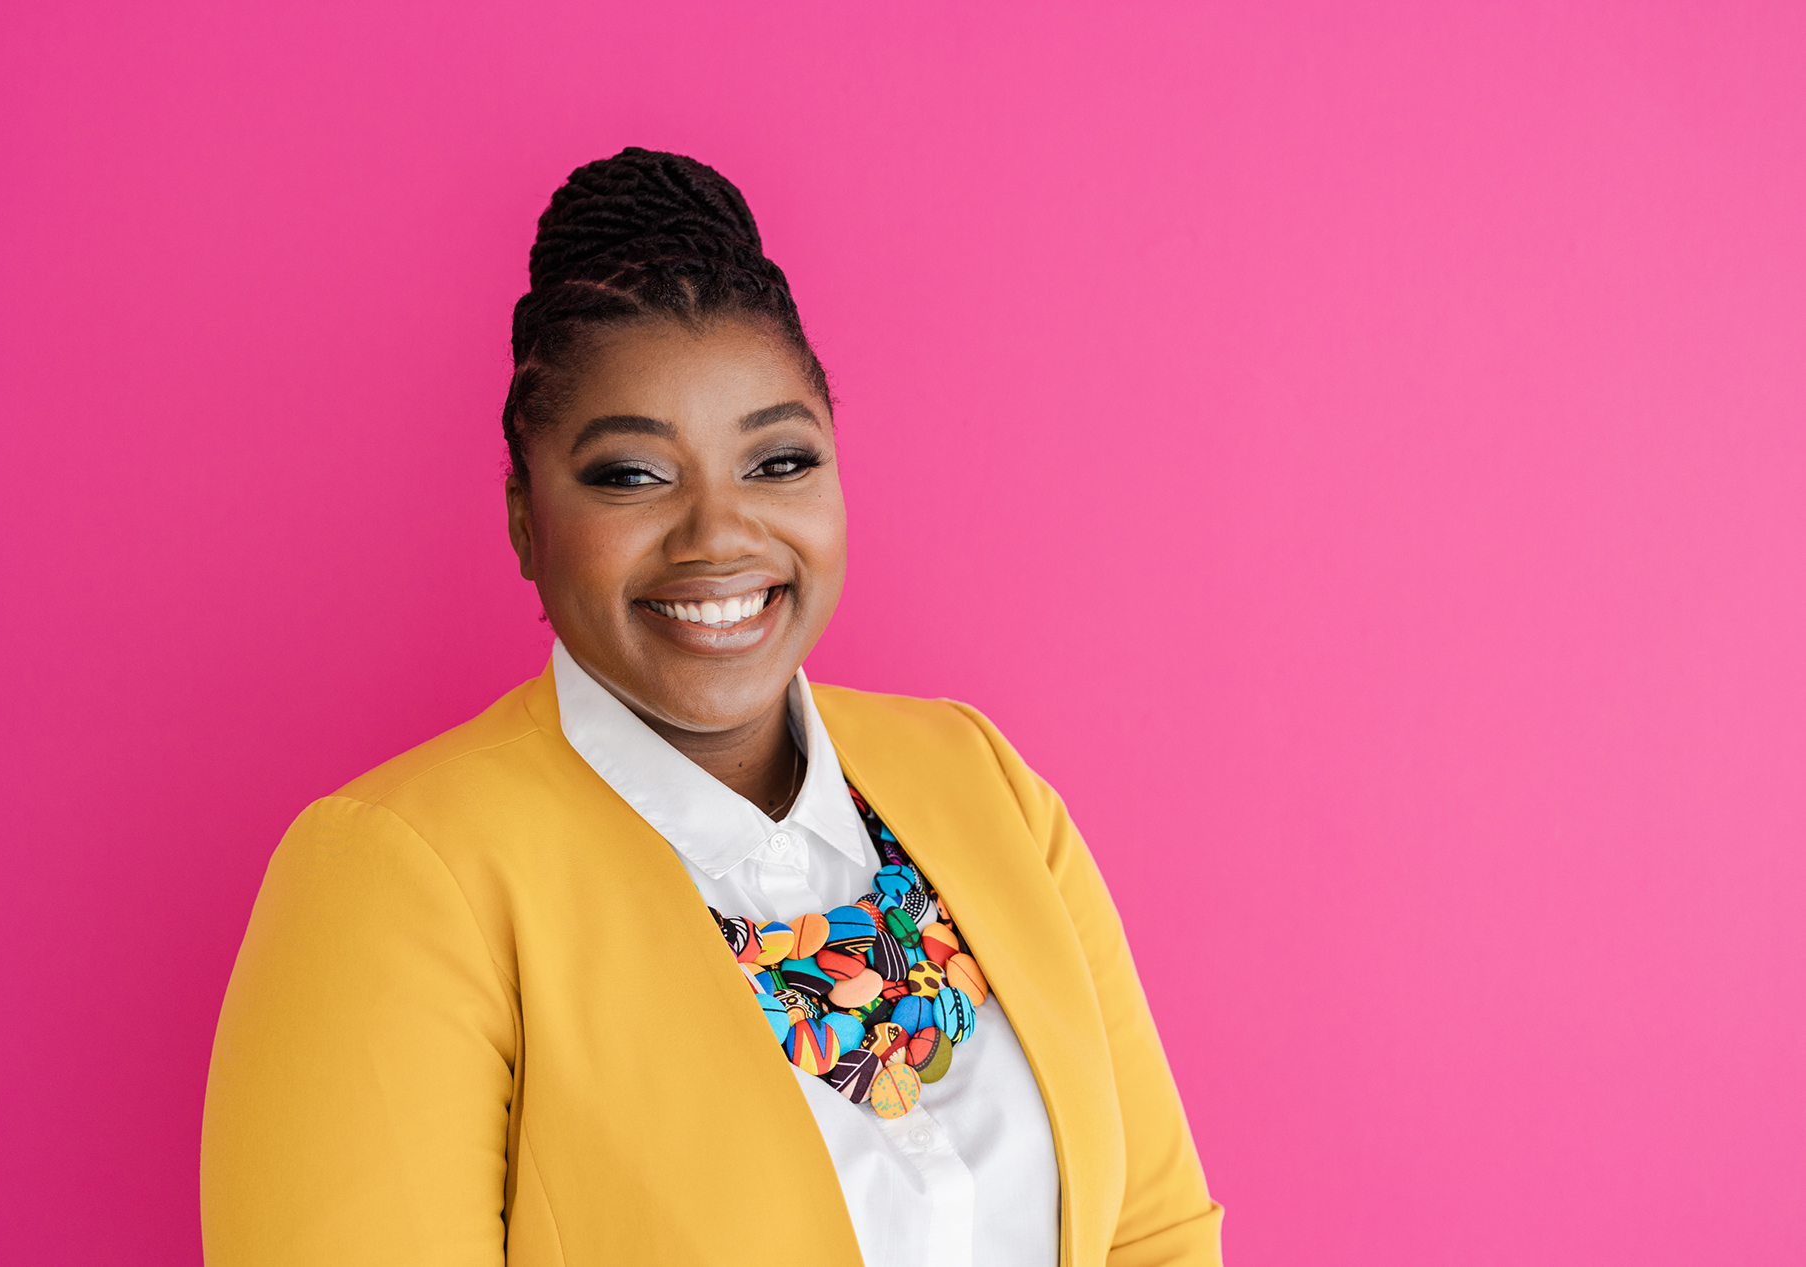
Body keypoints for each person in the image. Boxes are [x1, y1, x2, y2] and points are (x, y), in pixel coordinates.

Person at [200, 147, 1222, 1266]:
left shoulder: (978, 780)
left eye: (778, 461)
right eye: (633, 475)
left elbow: (1151, 1231)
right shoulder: (400, 879)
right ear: (523, 518)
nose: (719, 536)